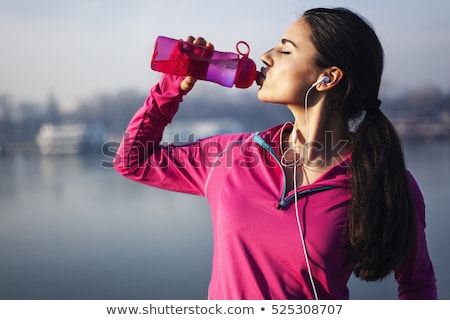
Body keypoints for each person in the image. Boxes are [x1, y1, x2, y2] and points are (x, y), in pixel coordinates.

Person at [114, 7, 437, 299]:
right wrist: (170, 87)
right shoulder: (232, 156)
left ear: (327, 78)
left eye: (285, 49)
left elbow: (417, 286)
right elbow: (132, 161)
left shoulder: (384, 180)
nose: (266, 56)